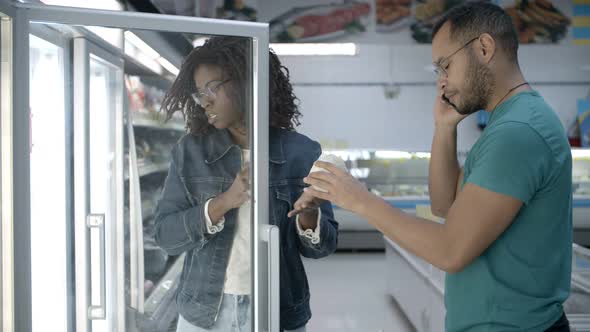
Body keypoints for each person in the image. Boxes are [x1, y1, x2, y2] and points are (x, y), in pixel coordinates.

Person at [303, 3, 572, 331]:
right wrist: (444, 127)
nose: (443, 82)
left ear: (484, 48)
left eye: (446, 66)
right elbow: (445, 206)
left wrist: (360, 199)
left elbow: (450, 250)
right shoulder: (510, 122)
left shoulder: (517, 132)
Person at [155, 36, 338, 332]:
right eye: (199, 94)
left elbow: (322, 248)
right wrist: (223, 202)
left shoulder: (301, 152)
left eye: (212, 88)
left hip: (278, 310)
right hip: (204, 313)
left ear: (247, 82)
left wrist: (309, 216)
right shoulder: (190, 151)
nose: (205, 101)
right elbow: (165, 235)